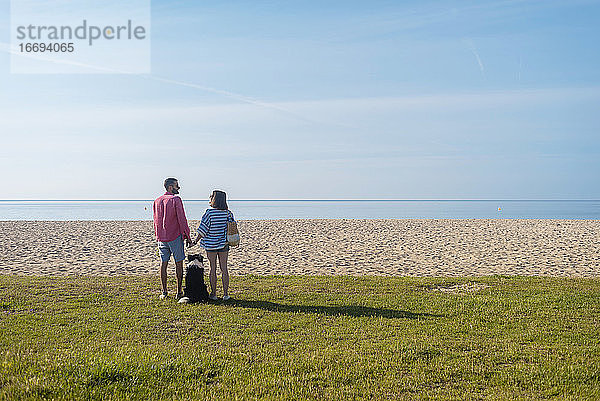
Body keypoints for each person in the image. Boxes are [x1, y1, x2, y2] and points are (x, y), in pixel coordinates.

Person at [153, 178, 192, 300]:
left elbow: (155, 220)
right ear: (170, 187)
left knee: (163, 263)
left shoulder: (157, 200)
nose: (178, 188)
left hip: (161, 237)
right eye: (176, 186)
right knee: (178, 263)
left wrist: (157, 235)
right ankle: (179, 291)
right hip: (174, 236)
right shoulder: (176, 199)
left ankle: (164, 292)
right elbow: (182, 219)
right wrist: (187, 236)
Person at [192, 190, 235, 301]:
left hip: (211, 245)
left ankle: (214, 294)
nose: (209, 198)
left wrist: (196, 241)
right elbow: (231, 228)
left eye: (211, 196)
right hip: (223, 244)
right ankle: (226, 294)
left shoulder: (209, 213)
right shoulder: (228, 213)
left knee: (213, 269)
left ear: (215, 199)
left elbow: (203, 230)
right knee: (224, 269)